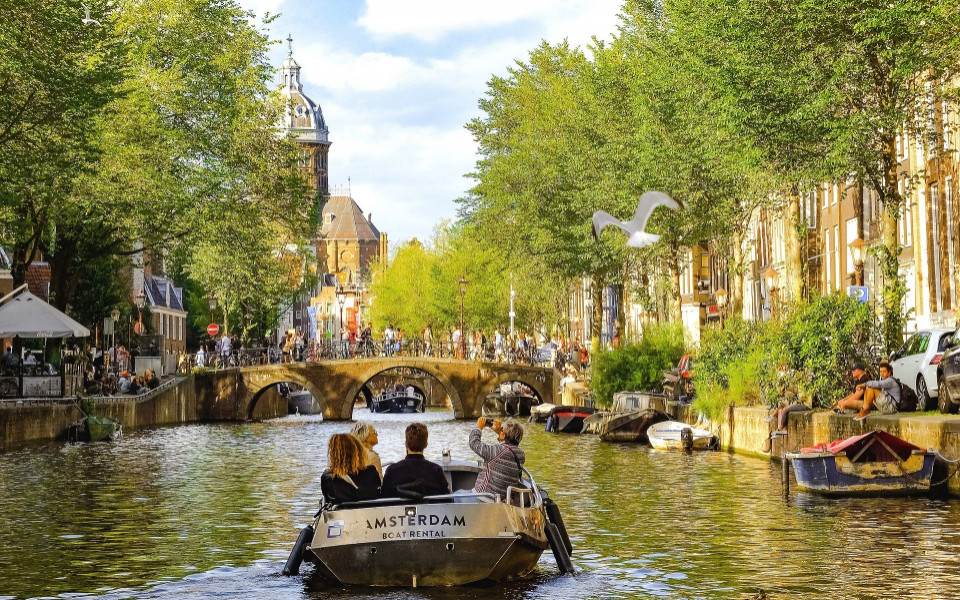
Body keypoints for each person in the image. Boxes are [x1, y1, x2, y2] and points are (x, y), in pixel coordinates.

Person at [381, 422, 450, 499]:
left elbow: (384, 497)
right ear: (426, 444)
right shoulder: (436, 471)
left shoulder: (392, 470)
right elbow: (447, 498)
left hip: (397, 507)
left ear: (406, 444)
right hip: (428, 507)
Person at [469, 417, 525, 500]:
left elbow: (474, 443)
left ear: (504, 435)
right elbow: (508, 446)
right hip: (502, 500)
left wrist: (478, 428)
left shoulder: (497, 451)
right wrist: (500, 432)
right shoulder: (521, 455)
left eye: (502, 430)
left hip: (483, 497)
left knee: (454, 495)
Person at [320, 434, 381, 505]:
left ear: (333, 454)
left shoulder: (329, 477)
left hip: (341, 511)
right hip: (372, 510)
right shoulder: (371, 472)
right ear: (358, 451)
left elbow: (328, 499)